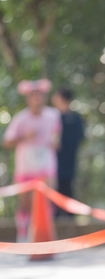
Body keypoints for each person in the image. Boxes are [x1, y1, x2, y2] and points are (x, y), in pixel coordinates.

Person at [2, 79, 61, 241]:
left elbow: (56, 135)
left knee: (48, 201)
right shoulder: (21, 118)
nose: (36, 99)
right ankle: (23, 235)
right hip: (26, 165)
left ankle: (44, 236)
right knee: (25, 203)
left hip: (46, 164)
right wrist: (24, 137)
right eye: (33, 96)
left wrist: (55, 142)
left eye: (39, 95)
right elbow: (7, 142)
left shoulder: (53, 115)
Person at [51, 87, 85, 216]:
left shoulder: (75, 119)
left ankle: (70, 217)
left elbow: (80, 137)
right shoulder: (52, 117)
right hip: (52, 161)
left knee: (67, 186)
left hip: (69, 160)